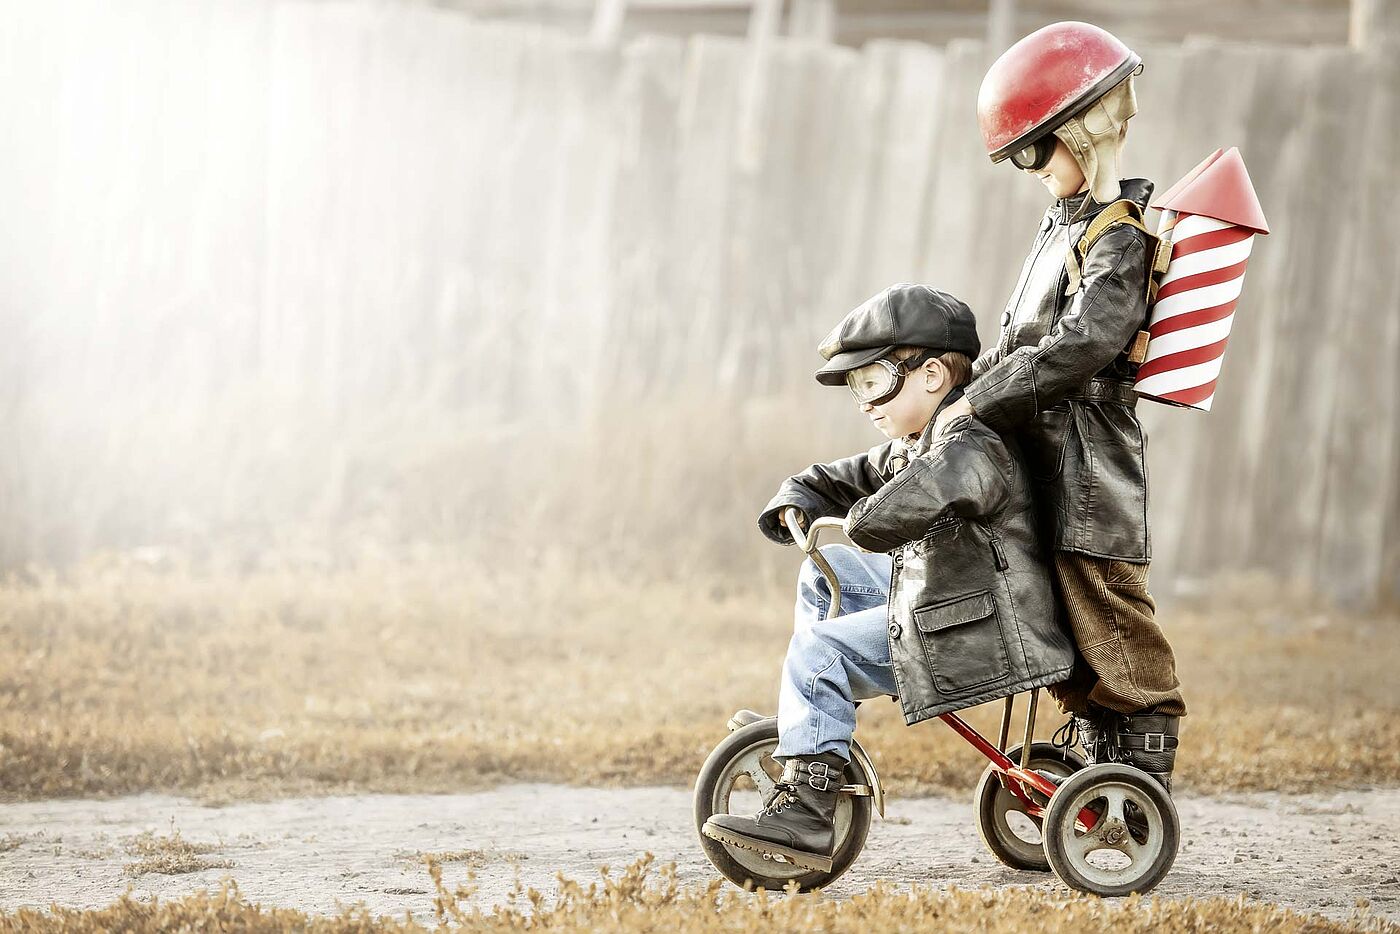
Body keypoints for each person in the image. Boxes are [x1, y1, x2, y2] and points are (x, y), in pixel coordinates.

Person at [700, 283, 1074, 873]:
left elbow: (897, 506)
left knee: (819, 649)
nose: (863, 402)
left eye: (871, 383)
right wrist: (799, 498)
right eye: (855, 389)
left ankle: (809, 806)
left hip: (983, 625)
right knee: (829, 575)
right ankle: (811, 719)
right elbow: (843, 475)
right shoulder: (915, 441)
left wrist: (854, 517)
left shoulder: (969, 447)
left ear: (929, 376)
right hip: (954, 600)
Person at [933, 21, 1185, 791]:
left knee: (1100, 588)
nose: (1030, 169)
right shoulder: (1061, 228)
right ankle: (1095, 722)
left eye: (1036, 150)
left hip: (1088, 454)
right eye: (1019, 158)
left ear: (1087, 130)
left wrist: (981, 399)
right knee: (1052, 586)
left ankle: (1140, 731)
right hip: (1044, 445)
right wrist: (960, 395)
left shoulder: (1120, 237)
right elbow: (1020, 338)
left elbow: (1082, 343)